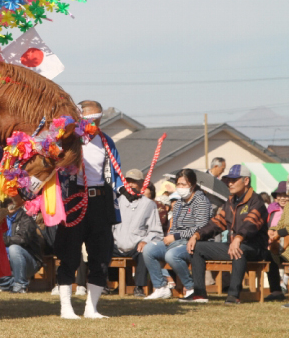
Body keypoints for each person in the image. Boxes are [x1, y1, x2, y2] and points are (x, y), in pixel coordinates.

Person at [56, 100, 128, 319]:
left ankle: (91, 308)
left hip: (100, 201)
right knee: (69, 254)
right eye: (88, 119)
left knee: (100, 255)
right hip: (74, 199)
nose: (93, 123)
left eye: (97, 119)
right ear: (79, 118)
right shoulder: (68, 140)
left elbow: (116, 172)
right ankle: (66, 307)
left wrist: (125, 189)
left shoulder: (106, 141)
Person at [181, 164, 281, 304]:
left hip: (255, 248)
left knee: (238, 249)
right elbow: (217, 222)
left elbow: (251, 224)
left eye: (234, 180)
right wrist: (196, 235)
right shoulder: (231, 201)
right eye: (228, 180)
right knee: (197, 247)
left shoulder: (256, 201)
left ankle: (233, 295)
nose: (230, 183)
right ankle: (199, 293)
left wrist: (238, 238)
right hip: (233, 244)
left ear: (246, 181)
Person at [143, 169, 211, 299]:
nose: (180, 188)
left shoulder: (201, 201)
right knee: (149, 249)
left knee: (172, 255)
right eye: (178, 184)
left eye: (184, 184)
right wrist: (170, 237)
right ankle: (161, 287)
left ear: (193, 184)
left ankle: (191, 288)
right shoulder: (179, 203)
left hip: (192, 242)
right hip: (174, 241)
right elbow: (174, 226)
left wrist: (176, 236)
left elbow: (201, 227)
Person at [110, 169, 163, 298]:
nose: (131, 185)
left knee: (145, 251)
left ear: (141, 184)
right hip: (117, 243)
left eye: (134, 182)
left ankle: (139, 287)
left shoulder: (149, 204)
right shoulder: (117, 200)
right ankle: (108, 284)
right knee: (102, 249)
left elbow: (156, 231)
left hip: (136, 244)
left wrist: (146, 241)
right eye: (128, 181)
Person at [0, 196, 42, 293]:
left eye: (12, 202)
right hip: (6, 262)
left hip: (28, 262)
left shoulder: (26, 218)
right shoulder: (2, 219)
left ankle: (21, 285)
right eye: (6, 202)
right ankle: (12, 283)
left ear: (19, 203)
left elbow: (22, 239)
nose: (9, 205)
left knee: (14, 248)